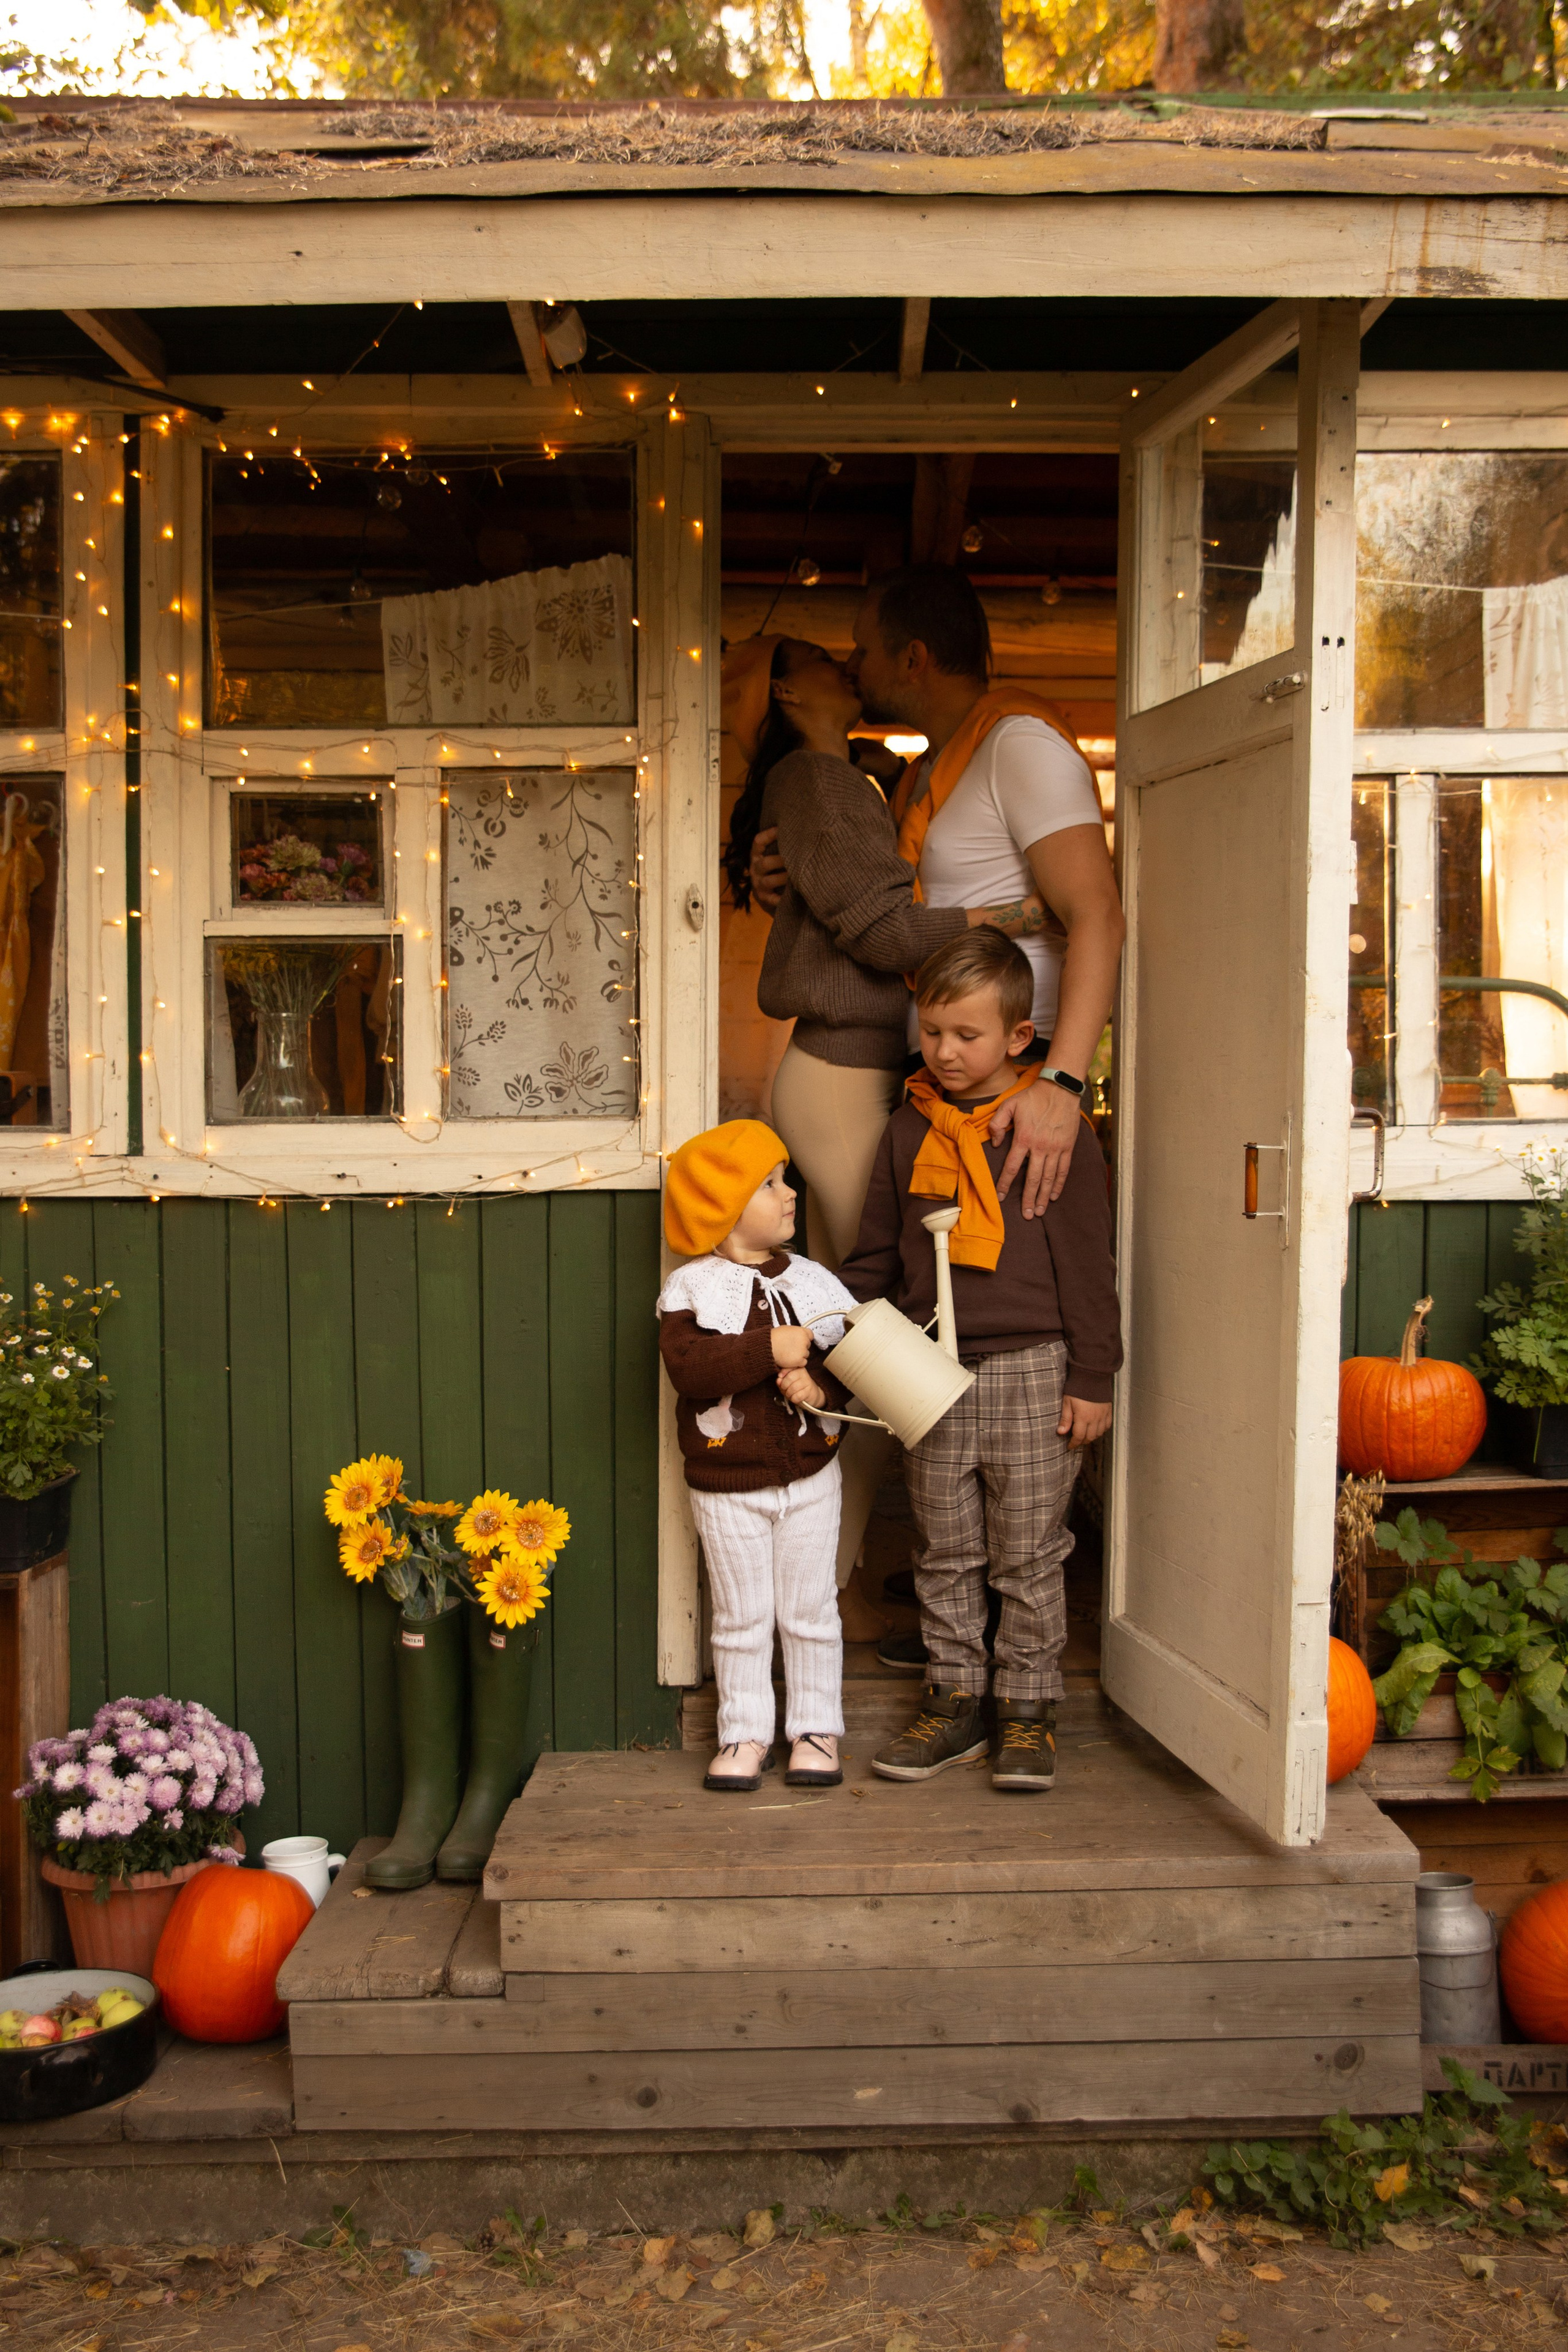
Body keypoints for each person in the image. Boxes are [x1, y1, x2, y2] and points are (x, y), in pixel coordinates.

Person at [723, 633, 1053, 1642]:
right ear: (790, 690)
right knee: (882, 1335)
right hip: (841, 1077)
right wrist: (1017, 915)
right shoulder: (817, 776)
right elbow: (879, 929)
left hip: (847, 1073)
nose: (850, 661)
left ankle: (836, 1580)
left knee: (870, 1334)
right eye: (826, 658)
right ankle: (820, 1591)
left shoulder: (848, 781)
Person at [749, 568, 1126, 1221]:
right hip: (938, 1072)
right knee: (927, 1280)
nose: (852, 665)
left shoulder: (1019, 744)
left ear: (913, 659)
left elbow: (1098, 913)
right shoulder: (918, 775)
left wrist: (1062, 1085)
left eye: (863, 650)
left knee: (992, 1284)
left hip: (1018, 1068)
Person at [839, 929, 1122, 1793]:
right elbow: (876, 1256)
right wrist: (838, 1340)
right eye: (932, 1033)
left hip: (1035, 1370)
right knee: (945, 1549)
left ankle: (1028, 1711)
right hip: (928, 1372)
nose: (946, 1052)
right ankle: (955, 1699)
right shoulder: (904, 1130)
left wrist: (1092, 1376)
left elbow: (1088, 1263)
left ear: (1017, 1038)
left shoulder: (1050, 1131)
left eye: (966, 1035)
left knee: (1029, 1555)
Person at [658, 1118, 859, 1793]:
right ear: (722, 1207)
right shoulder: (692, 1290)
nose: (790, 1193)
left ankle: (815, 1728)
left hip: (810, 1478)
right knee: (740, 1616)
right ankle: (743, 1731)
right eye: (769, 1184)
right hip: (727, 1487)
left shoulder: (815, 1283)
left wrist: (818, 1384)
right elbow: (689, 1369)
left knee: (809, 1610)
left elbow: (851, 1369)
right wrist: (765, 1351)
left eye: (785, 1178)